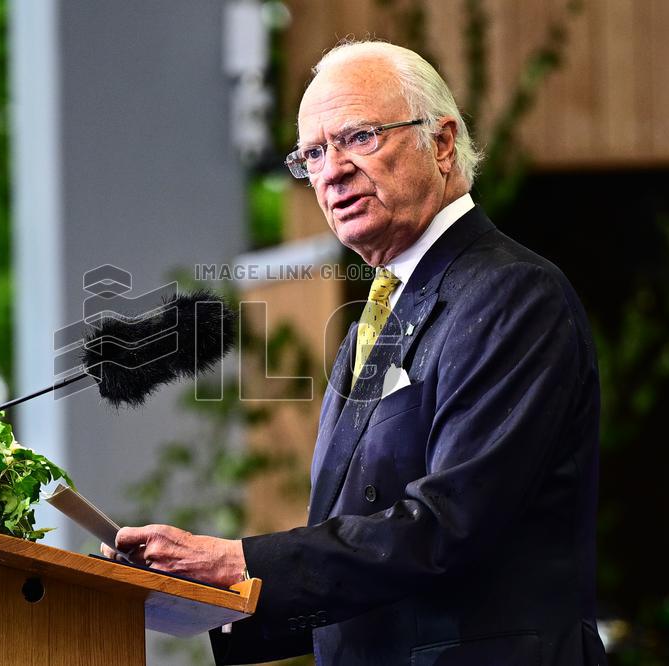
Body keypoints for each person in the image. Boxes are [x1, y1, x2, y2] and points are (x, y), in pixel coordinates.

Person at [102, 40, 606, 665]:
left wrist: (241, 561)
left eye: (358, 137)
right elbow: (361, 552)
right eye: (312, 153)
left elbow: (449, 525)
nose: (331, 170)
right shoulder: (385, 306)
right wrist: (211, 590)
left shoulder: (512, 294)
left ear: (442, 143)